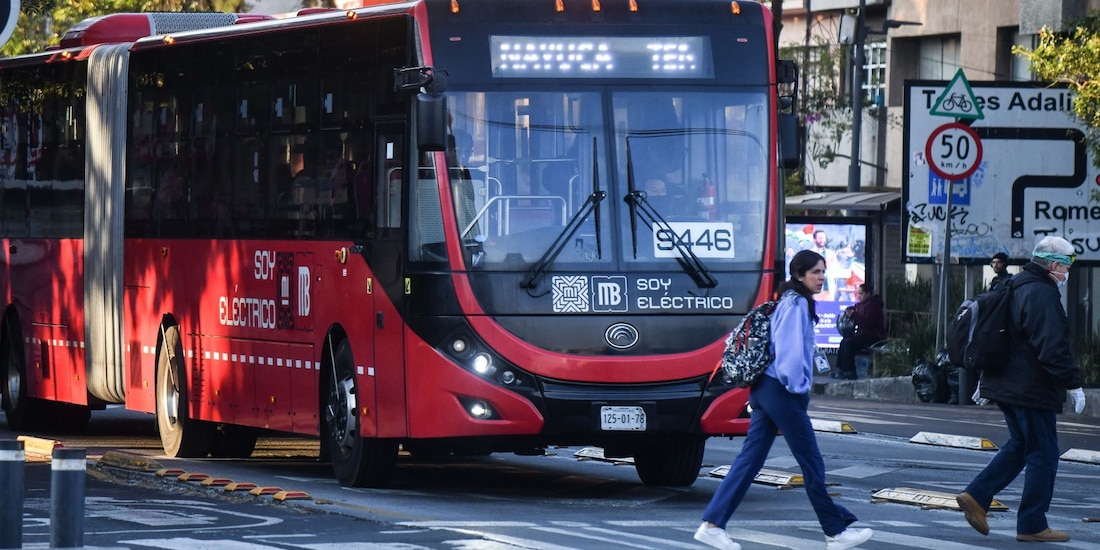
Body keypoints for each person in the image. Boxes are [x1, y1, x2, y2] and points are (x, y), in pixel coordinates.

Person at [694, 250, 874, 550]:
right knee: (811, 462)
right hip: (781, 390)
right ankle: (835, 531)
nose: (821, 277)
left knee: (750, 460)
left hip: (767, 389)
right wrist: (798, 388)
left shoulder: (790, 301)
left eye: (823, 271)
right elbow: (788, 353)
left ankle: (712, 525)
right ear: (800, 274)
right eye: (815, 272)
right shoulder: (796, 304)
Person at [956, 236, 1087, 543]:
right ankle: (1032, 523)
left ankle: (977, 495)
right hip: (1030, 388)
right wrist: (1073, 383)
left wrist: (985, 380)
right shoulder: (1042, 293)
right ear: (1053, 265)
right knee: (1044, 453)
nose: (1067, 272)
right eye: (1067, 265)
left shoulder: (1014, 285)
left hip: (1007, 384)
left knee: (1020, 445)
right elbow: (1051, 346)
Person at [833, 283, 887, 380]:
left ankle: (849, 372)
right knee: (844, 341)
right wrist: (849, 310)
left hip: (874, 336)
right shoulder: (861, 305)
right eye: (858, 294)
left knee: (849, 343)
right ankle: (841, 370)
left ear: (868, 293)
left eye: (861, 294)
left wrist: (854, 315)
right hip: (864, 334)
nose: (859, 296)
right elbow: (855, 308)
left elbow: (868, 322)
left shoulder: (874, 305)